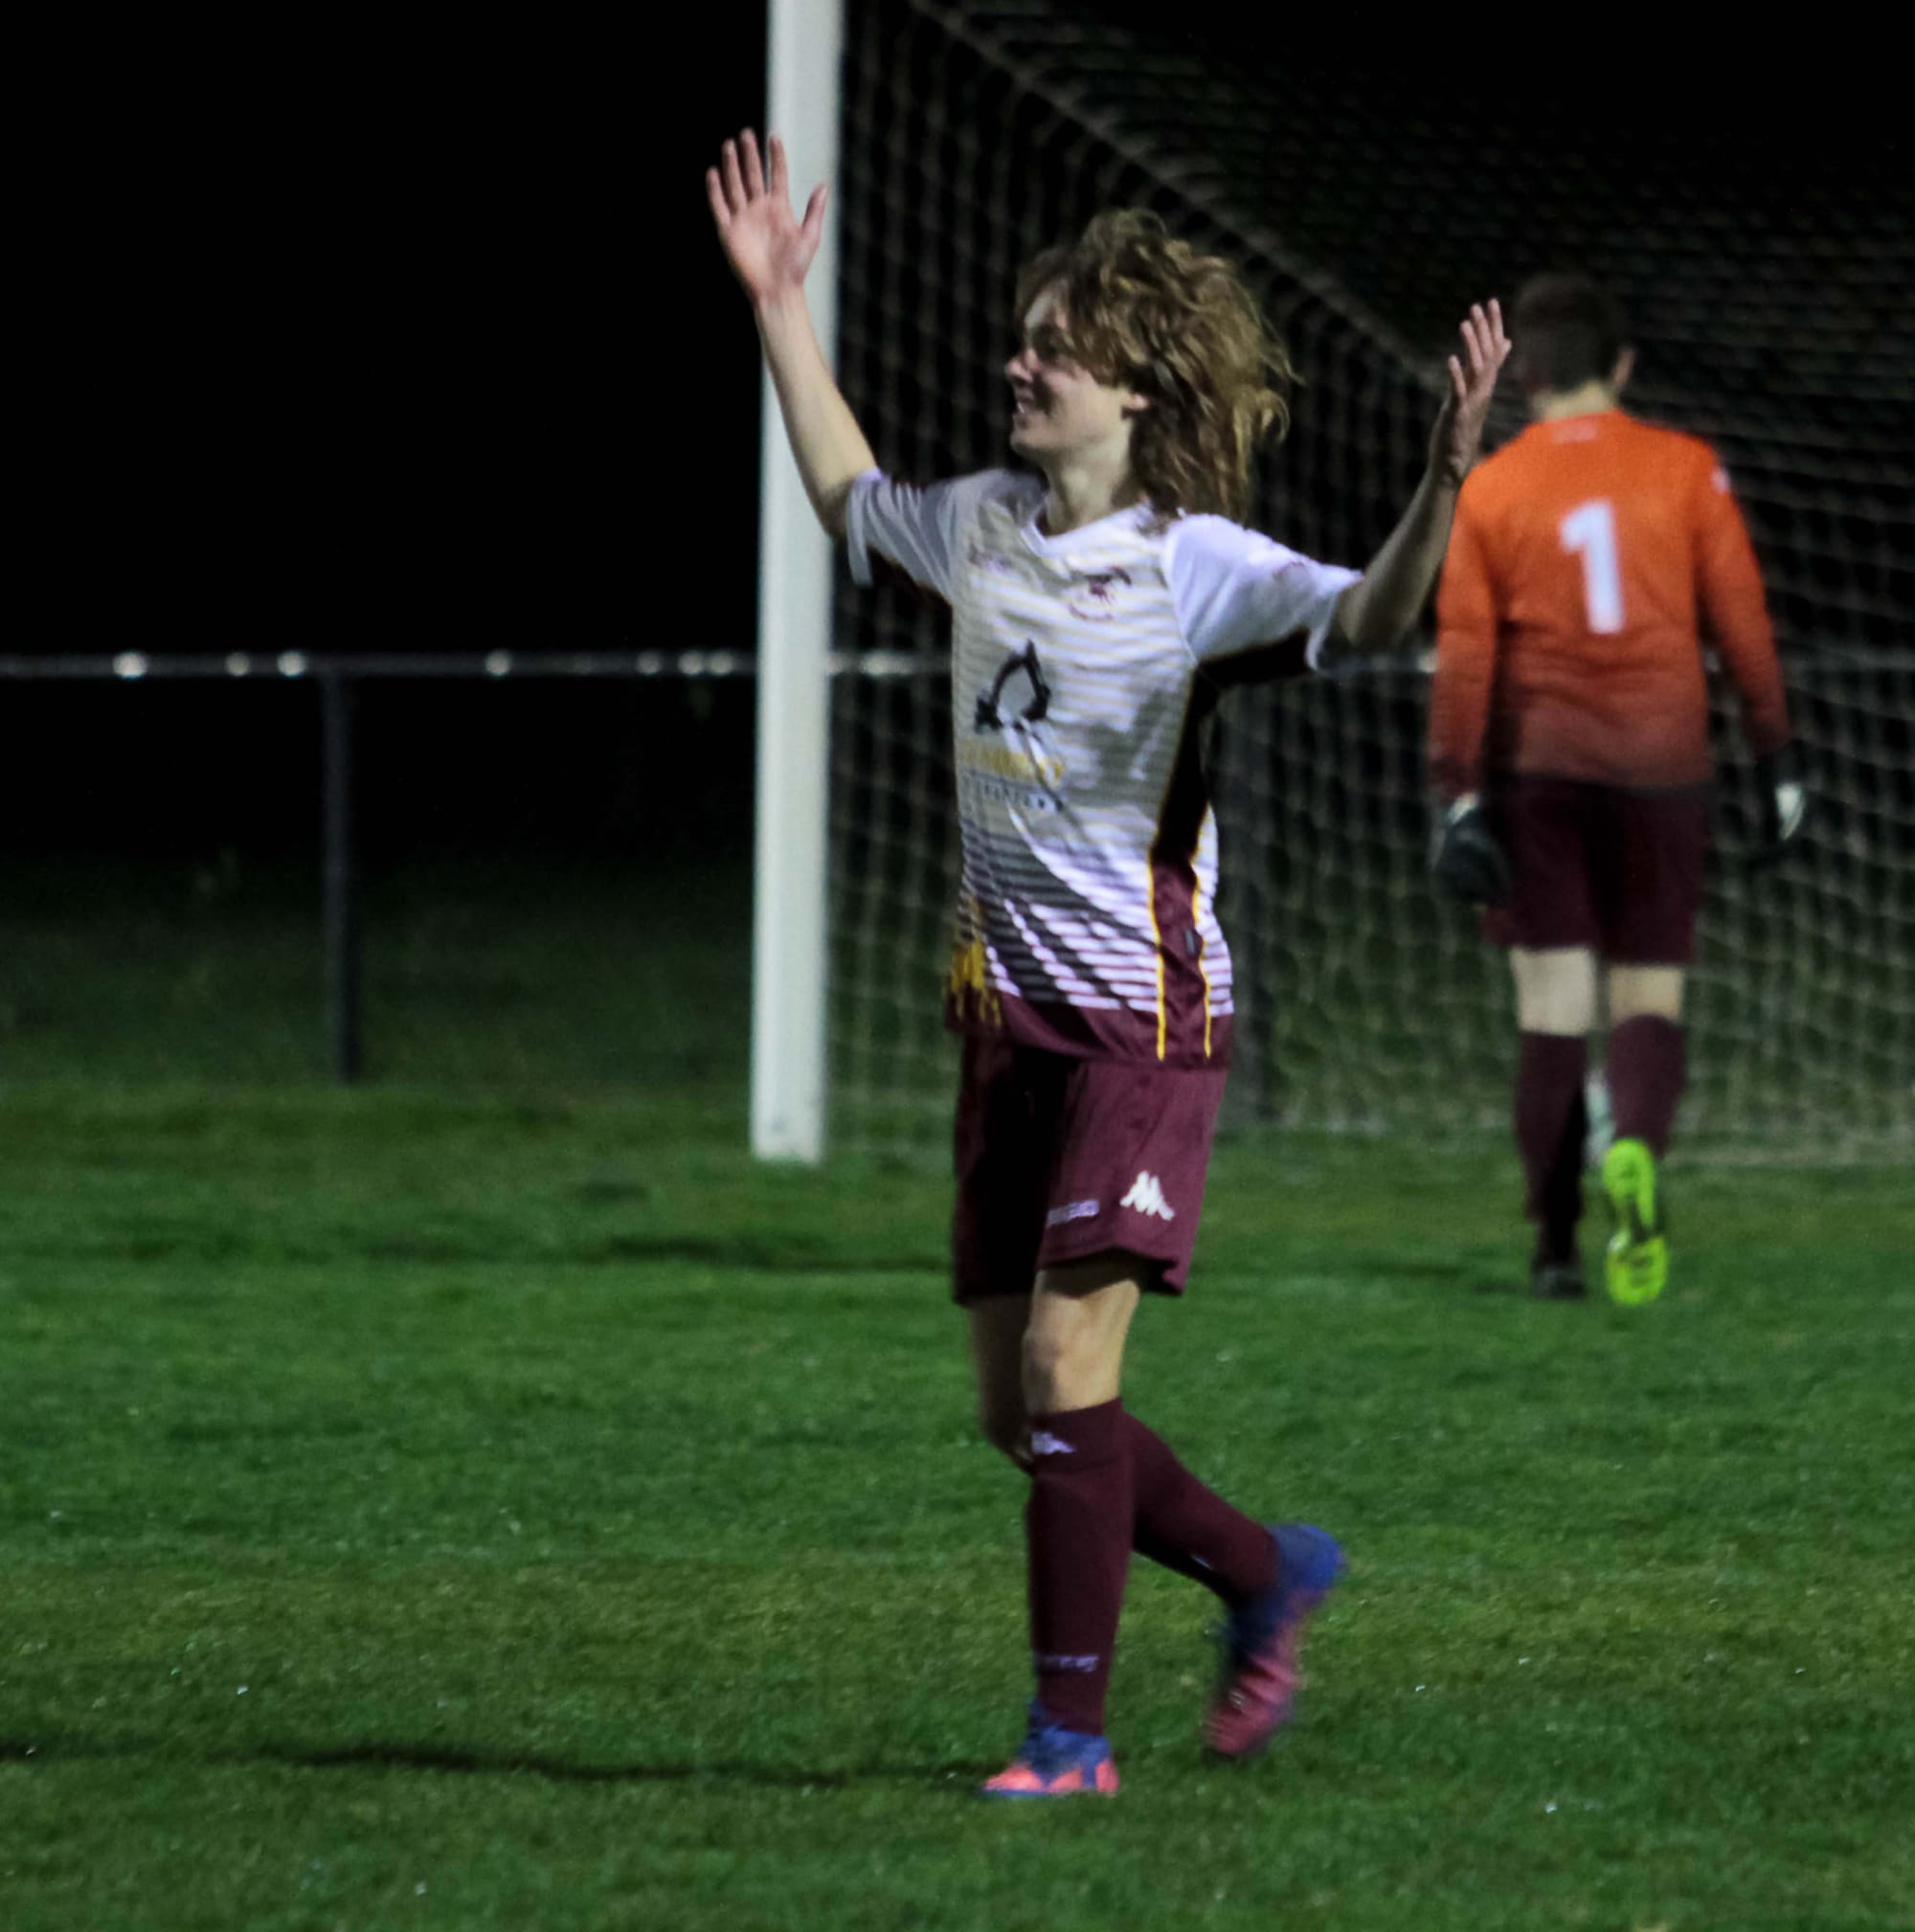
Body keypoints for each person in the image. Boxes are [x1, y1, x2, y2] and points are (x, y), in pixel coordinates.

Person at [708, 127, 1507, 1798]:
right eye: (1027, 334)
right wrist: (781, 305)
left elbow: (1371, 622)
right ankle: (1259, 1568)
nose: (1022, 359)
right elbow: (854, 500)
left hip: (1147, 1026)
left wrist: (1446, 476)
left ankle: (1069, 1743)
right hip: (1005, 1025)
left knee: (1077, 1375)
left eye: (1055, 344)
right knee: (1023, 1413)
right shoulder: (988, 523)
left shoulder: (1192, 566)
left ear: (1136, 388)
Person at [1429, 273, 1803, 1305]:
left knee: (1550, 1006)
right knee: (1647, 994)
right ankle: (1631, 1143)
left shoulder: (1493, 486)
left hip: (1538, 770)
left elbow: (1464, 656)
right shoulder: (1684, 469)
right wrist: (1774, 755)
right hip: (1662, 768)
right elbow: (1741, 625)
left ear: (1528, 378)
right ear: (1621, 364)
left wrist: (1455, 790)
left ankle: (1552, 1247)